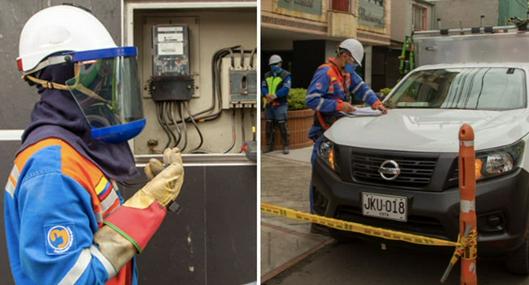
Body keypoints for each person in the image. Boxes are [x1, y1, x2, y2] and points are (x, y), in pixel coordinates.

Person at [4, 5, 184, 284]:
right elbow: (69, 279)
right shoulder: (53, 171)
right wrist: (148, 204)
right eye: (93, 68)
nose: (104, 80)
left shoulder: (75, 147)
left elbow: (96, 226)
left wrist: (150, 195)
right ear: (62, 75)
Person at [305, 38, 387, 210]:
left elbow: (362, 88)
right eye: (353, 62)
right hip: (323, 132)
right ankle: (316, 213)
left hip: (339, 130)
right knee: (320, 174)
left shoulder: (347, 74)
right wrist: (339, 105)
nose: (354, 66)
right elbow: (311, 100)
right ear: (344, 56)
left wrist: (376, 103)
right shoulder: (325, 73)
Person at [262, 54, 292, 154]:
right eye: (272, 64)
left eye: (275, 64)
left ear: (280, 63)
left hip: (280, 104)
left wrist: (275, 95)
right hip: (269, 104)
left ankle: (286, 146)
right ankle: (270, 146)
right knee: (269, 125)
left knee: (282, 125)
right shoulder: (266, 75)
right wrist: (266, 94)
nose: (273, 66)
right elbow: (263, 86)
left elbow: (286, 89)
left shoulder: (286, 75)